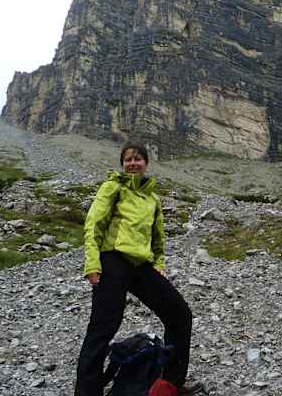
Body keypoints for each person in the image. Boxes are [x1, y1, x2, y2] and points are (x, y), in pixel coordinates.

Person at [74, 142, 203, 396]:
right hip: (112, 259)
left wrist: (159, 264)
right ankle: (87, 392)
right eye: (128, 160)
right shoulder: (113, 187)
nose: (133, 163)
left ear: (146, 163)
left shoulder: (152, 198)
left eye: (138, 159)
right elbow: (93, 225)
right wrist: (92, 264)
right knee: (104, 326)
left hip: (141, 264)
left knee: (179, 314)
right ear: (122, 164)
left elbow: (158, 239)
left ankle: (169, 385)